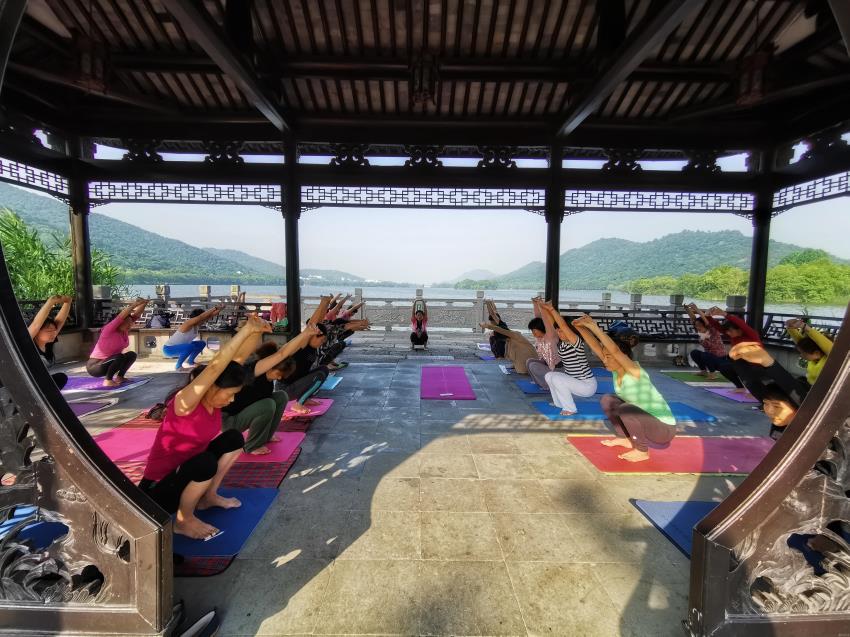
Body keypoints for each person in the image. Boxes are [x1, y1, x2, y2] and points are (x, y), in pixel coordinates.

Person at [139, 315, 271, 540]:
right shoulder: (185, 403)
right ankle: (183, 520)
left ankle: (208, 497)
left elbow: (235, 361)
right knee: (205, 462)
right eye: (229, 395)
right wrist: (244, 329)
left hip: (189, 473)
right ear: (211, 387)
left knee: (233, 438)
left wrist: (255, 332)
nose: (231, 400)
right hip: (158, 490)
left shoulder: (214, 400)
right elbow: (215, 368)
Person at [572, 314, 677, 463]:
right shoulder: (616, 369)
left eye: (608, 357)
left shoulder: (634, 370)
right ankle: (625, 438)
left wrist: (593, 326)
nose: (604, 359)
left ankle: (642, 451)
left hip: (664, 429)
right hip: (645, 420)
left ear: (622, 357)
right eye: (604, 356)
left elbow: (614, 351)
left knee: (626, 408)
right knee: (608, 400)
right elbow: (595, 346)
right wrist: (580, 328)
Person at [223, 325, 320, 454]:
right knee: (267, 405)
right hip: (228, 421)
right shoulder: (255, 371)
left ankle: (266, 436)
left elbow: (287, 353)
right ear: (270, 366)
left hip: (242, 415)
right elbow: (282, 353)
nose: (279, 378)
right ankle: (252, 446)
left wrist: (306, 334)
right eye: (278, 374)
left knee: (281, 396)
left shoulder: (267, 380)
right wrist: (304, 334)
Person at [537, 300, 597, 415]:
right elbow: (553, 324)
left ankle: (570, 408)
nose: (559, 333)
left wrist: (551, 309)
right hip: (573, 381)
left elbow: (563, 326)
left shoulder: (576, 342)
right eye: (558, 331)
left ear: (570, 331)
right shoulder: (563, 343)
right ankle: (559, 403)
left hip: (586, 385)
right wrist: (543, 308)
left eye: (562, 331)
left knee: (557, 379)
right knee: (549, 375)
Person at [86, 298, 149, 387]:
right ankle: (108, 380)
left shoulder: (124, 331)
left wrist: (145, 303)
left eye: (130, 323)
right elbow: (121, 316)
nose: (130, 325)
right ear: (119, 322)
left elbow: (136, 315)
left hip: (110, 361)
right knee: (119, 357)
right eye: (127, 324)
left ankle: (120, 377)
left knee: (131, 355)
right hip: (95, 367)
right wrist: (135, 304)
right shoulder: (109, 329)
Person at [728, 341, 809, 406]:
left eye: (776, 406)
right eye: (766, 404)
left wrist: (769, 362)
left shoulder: (805, 410)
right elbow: (752, 384)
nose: (770, 411)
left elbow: (800, 399)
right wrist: (735, 359)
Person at [684, 303, 745, 389]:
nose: (697, 327)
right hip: (709, 357)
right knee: (694, 353)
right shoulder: (700, 331)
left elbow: (705, 319)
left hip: (720, 358)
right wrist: (687, 309)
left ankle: (712, 373)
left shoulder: (712, 330)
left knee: (705, 355)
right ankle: (703, 371)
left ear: (705, 325)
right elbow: (693, 319)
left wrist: (696, 309)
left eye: (699, 325)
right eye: (696, 326)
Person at [28, 294, 73, 389]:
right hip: (26, 384)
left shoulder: (48, 343)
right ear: (37, 332)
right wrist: (51, 302)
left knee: (61, 378)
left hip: (39, 382)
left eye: (54, 330)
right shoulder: (28, 342)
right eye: (49, 331)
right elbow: (36, 324)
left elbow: (59, 321)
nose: (54, 333)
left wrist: (68, 302)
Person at [162, 306, 222, 370]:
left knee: (201, 343)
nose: (204, 320)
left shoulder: (197, 325)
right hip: (169, 349)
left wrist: (221, 308)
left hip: (181, 347)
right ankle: (178, 367)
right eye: (203, 317)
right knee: (190, 346)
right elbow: (201, 317)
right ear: (197, 318)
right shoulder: (188, 323)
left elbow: (210, 316)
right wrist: (215, 308)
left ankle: (190, 362)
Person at [525, 297, 561, 390]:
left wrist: (542, 307)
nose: (533, 333)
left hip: (557, 369)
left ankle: (547, 386)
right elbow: (538, 318)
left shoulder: (550, 336)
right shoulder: (539, 338)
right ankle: (539, 382)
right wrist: (535, 304)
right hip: (547, 365)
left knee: (533, 366)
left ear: (541, 328)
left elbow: (545, 321)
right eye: (532, 331)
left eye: (534, 331)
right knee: (529, 361)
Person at [786, 318, 833, 386]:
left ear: (817, 353)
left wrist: (804, 327)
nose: (801, 355)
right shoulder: (814, 357)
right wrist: (790, 327)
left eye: (803, 353)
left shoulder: (831, 358)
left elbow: (827, 346)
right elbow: (801, 344)